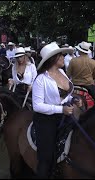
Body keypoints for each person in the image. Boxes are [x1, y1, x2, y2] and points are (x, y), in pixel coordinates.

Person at [32, 42, 82, 178]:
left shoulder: (62, 72)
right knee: (46, 157)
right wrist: (61, 110)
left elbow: (67, 94)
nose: (63, 57)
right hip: (46, 119)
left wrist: (75, 98)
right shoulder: (41, 79)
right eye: (60, 55)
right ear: (52, 59)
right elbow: (37, 106)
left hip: (66, 113)